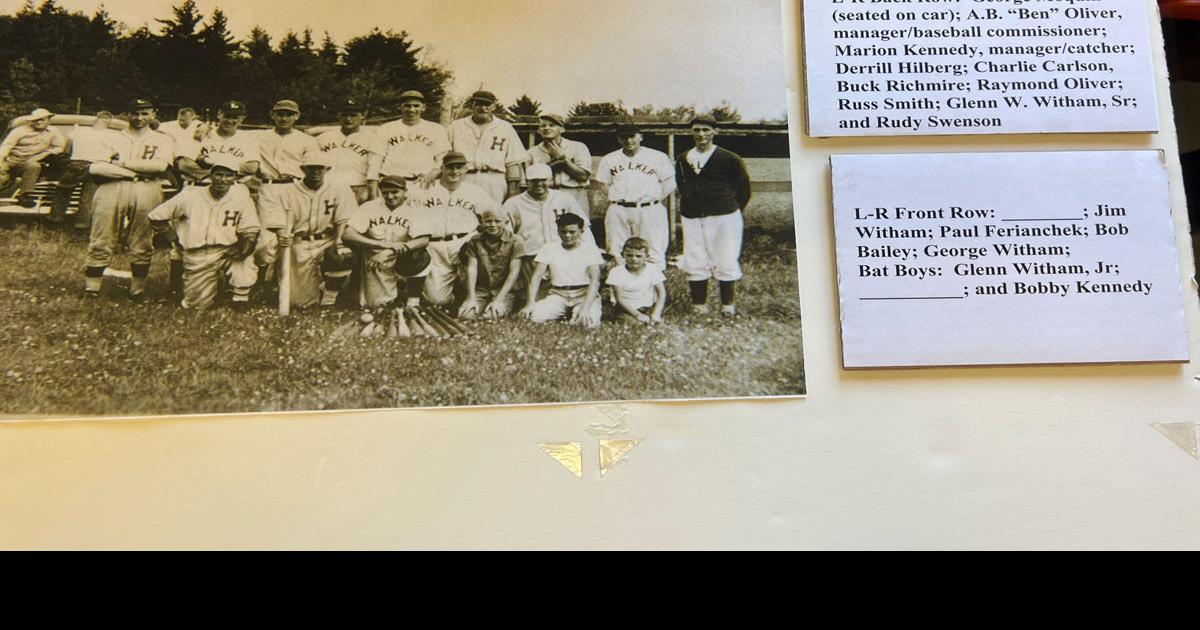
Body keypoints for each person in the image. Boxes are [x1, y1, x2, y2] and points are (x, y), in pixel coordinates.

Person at [82, 98, 176, 300]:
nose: (139, 118)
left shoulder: (162, 139)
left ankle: (137, 289)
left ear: (154, 114)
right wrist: (131, 173)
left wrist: (122, 163)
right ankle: (92, 288)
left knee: (142, 238)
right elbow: (95, 167)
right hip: (111, 187)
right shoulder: (112, 137)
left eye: (145, 113)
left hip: (147, 188)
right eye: (135, 113)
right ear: (127, 114)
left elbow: (159, 167)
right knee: (102, 235)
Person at [147, 154, 260, 310]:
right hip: (198, 254)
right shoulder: (190, 195)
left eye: (228, 175)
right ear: (211, 175)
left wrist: (245, 246)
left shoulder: (241, 198)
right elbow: (156, 216)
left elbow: (250, 229)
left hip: (226, 250)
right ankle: (215, 287)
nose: (223, 179)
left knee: (245, 264)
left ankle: (240, 299)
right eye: (219, 174)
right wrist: (174, 239)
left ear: (235, 177)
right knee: (197, 306)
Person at [257, 150, 357, 308]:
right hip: (299, 244)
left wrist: (338, 242)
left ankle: (330, 296)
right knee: (301, 303)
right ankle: (317, 288)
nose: (315, 171)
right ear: (303, 169)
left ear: (327, 169)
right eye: (311, 167)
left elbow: (344, 219)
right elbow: (277, 220)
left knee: (342, 257)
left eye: (320, 167)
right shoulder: (287, 191)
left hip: (327, 240)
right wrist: (283, 234)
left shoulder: (339, 188)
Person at [674, 115, 751, 316]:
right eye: (697, 130)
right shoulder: (683, 159)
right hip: (692, 216)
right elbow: (683, 186)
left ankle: (728, 306)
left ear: (715, 132)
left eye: (706, 130)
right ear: (691, 132)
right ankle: (699, 305)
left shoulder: (728, 158)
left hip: (724, 215)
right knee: (695, 257)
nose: (701, 134)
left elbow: (743, 189)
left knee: (725, 256)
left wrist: (729, 208)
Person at [406, 151, 490, 306]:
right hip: (435, 245)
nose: (455, 171)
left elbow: (493, 216)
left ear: (466, 169)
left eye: (459, 167)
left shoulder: (475, 191)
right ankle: (450, 295)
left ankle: (466, 294)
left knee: (474, 273)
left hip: (465, 242)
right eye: (450, 167)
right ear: (442, 168)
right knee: (437, 300)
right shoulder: (424, 189)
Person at [341, 175, 432, 309]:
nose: (390, 196)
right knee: (377, 304)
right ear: (380, 192)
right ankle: (398, 291)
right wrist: (382, 245)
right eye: (385, 192)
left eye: (395, 192)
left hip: (404, 257)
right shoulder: (369, 207)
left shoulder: (415, 208)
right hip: (376, 258)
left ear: (405, 191)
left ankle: (413, 295)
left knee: (420, 255)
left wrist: (391, 250)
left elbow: (424, 239)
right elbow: (348, 235)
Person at [596, 124, 675, 271]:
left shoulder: (657, 156)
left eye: (632, 136)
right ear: (619, 139)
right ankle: (619, 290)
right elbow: (603, 183)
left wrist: (653, 200)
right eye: (624, 137)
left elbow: (669, 183)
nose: (628, 140)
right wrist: (618, 199)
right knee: (616, 250)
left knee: (653, 250)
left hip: (649, 209)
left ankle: (654, 290)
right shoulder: (610, 158)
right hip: (619, 209)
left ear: (641, 137)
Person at [503, 162, 593, 291]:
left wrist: (590, 251)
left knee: (564, 288)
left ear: (550, 180)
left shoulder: (564, 198)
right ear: (527, 181)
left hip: (562, 254)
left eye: (543, 180)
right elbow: (506, 234)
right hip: (531, 256)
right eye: (534, 181)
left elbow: (583, 227)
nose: (539, 184)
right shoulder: (514, 203)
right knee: (536, 294)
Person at [519, 213, 604, 328]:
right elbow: (536, 277)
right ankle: (568, 313)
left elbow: (595, 281)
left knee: (588, 323)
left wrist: (585, 308)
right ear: (558, 231)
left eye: (572, 232)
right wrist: (530, 304)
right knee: (532, 317)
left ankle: (577, 312)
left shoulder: (590, 249)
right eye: (563, 231)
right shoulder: (549, 248)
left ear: (581, 231)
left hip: (583, 294)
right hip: (558, 295)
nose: (567, 235)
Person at [447, 90, 528, 202]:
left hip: (494, 180)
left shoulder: (505, 127)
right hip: (464, 178)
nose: (483, 108)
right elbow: (445, 157)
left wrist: (512, 191)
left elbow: (513, 162)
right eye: (479, 104)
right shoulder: (456, 126)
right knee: (463, 215)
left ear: (494, 106)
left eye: (487, 104)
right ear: (472, 105)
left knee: (493, 215)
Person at [369, 90, 449, 191]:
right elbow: (375, 162)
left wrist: (430, 175)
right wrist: (372, 190)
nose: (411, 109)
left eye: (416, 106)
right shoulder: (386, 128)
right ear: (399, 107)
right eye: (407, 105)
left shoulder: (436, 129)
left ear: (423, 107)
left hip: (423, 184)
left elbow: (442, 161)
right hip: (392, 184)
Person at [50, 111, 117, 227]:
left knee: (63, 190)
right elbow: (116, 154)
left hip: (77, 163)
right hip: (98, 165)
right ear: (110, 122)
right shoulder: (113, 135)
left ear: (96, 119)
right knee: (89, 195)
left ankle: (55, 218)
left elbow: (67, 148)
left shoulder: (79, 131)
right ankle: (82, 222)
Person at [528, 113, 593, 233]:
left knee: (580, 229)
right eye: (543, 126)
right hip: (548, 194)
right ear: (539, 130)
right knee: (550, 229)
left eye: (552, 125)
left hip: (575, 192)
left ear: (562, 129)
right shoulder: (533, 152)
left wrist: (563, 160)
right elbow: (533, 178)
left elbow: (583, 176)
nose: (546, 128)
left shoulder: (578, 147)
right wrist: (556, 161)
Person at [457, 208, 523, 320]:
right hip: (481, 289)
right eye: (488, 221)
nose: (492, 225)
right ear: (481, 222)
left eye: (497, 221)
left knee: (491, 316)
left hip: (503, 290)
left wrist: (499, 299)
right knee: (465, 316)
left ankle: (506, 305)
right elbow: (472, 268)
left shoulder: (515, 241)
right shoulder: (474, 240)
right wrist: (471, 297)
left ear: (505, 222)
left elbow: (514, 273)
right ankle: (479, 304)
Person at [176, 100, 260, 183]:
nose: (230, 121)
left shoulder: (248, 139)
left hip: (233, 187)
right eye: (227, 116)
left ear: (242, 119)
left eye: (234, 117)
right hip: (199, 186)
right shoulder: (200, 134)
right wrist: (218, 175)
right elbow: (184, 165)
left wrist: (215, 167)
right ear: (219, 114)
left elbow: (251, 168)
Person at [0, 108, 67, 207]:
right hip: (12, 160)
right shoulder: (19, 130)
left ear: (48, 120)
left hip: (31, 162)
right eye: (36, 120)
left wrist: (43, 155)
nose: (39, 122)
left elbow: (59, 147)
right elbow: (6, 146)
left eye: (42, 119)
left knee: (34, 166)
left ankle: (25, 196)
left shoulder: (53, 131)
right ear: (31, 121)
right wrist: (1, 161)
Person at [317, 98, 378, 204]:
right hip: (329, 187)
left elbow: (374, 168)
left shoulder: (372, 138)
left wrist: (371, 194)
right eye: (344, 115)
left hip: (358, 187)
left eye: (353, 115)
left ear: (362, 116)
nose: (348, 119)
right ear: (338, 116)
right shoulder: (323, 138)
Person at [605, 237, 666, 324]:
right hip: (626, 309)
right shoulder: (616, 272)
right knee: (637, 324)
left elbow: (661, 293)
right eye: (629, 255)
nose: (634, 259)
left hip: (647, 306)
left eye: (638, 256)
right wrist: (637, 315)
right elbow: (619, 298)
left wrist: (656, 313)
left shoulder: (653, 269)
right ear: (623, 255)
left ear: (647, 256)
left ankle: (650, 318)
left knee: (657, 323)